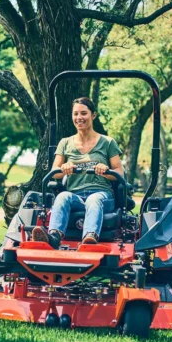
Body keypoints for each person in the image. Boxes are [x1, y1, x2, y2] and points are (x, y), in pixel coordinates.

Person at [32, 97, 124, 249]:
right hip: (76, 195)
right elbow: (54, 173)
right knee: (62, 196)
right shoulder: (65, 143)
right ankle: (54, 237)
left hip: (101, 194)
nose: (79, 118)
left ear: (93, 115)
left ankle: (89, 238)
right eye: (75, 114)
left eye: (83, 113)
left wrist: (106, 171)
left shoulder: (108, 143)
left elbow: (119, 172)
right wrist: (63, 168)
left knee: (93, 200)